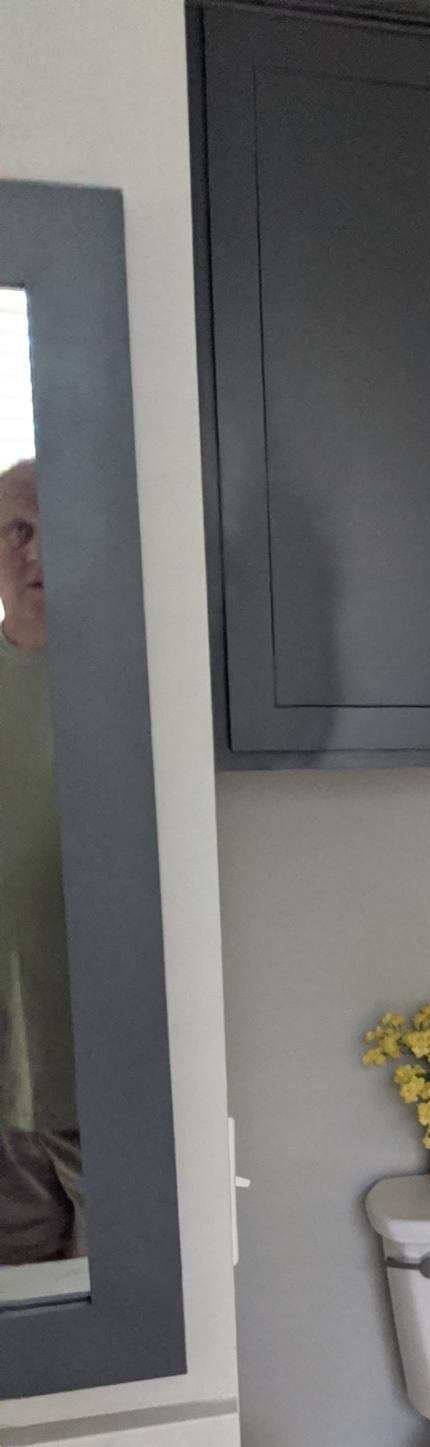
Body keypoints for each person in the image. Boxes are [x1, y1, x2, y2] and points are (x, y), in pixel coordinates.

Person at [0, 457, 83, 1266]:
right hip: (3, 1089)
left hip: (100, 1078)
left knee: (129, 1315)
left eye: (58, 529)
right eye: (19, 530)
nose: (37, 553)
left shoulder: (130, 688)